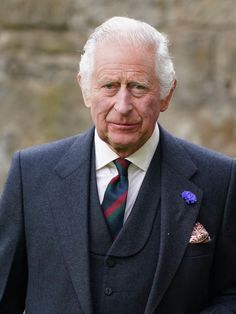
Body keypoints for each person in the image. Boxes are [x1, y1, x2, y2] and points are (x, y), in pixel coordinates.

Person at [0, 16, 235, 314]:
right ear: (86, 90)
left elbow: (231, 292)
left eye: (138, 87)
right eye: (109, 86)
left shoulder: (221, 180)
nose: (122, 106)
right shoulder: (30, 175)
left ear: (166, 95)